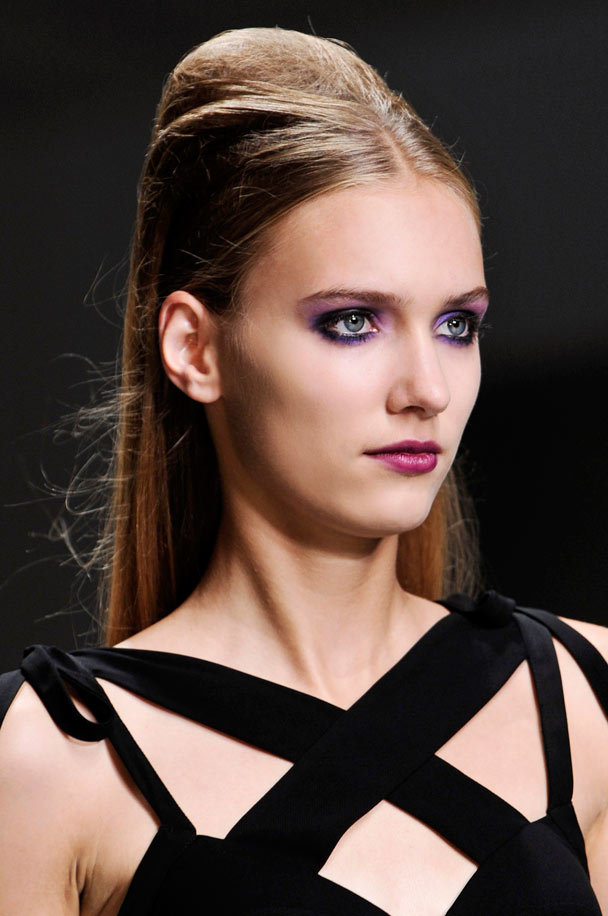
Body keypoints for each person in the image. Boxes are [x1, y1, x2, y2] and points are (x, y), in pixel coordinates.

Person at [0, 25, 607, 916]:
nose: (427, 390)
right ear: (195, 347)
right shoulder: (52, 762)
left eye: (457, 325)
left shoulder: (587, 699)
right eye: (352, 321)